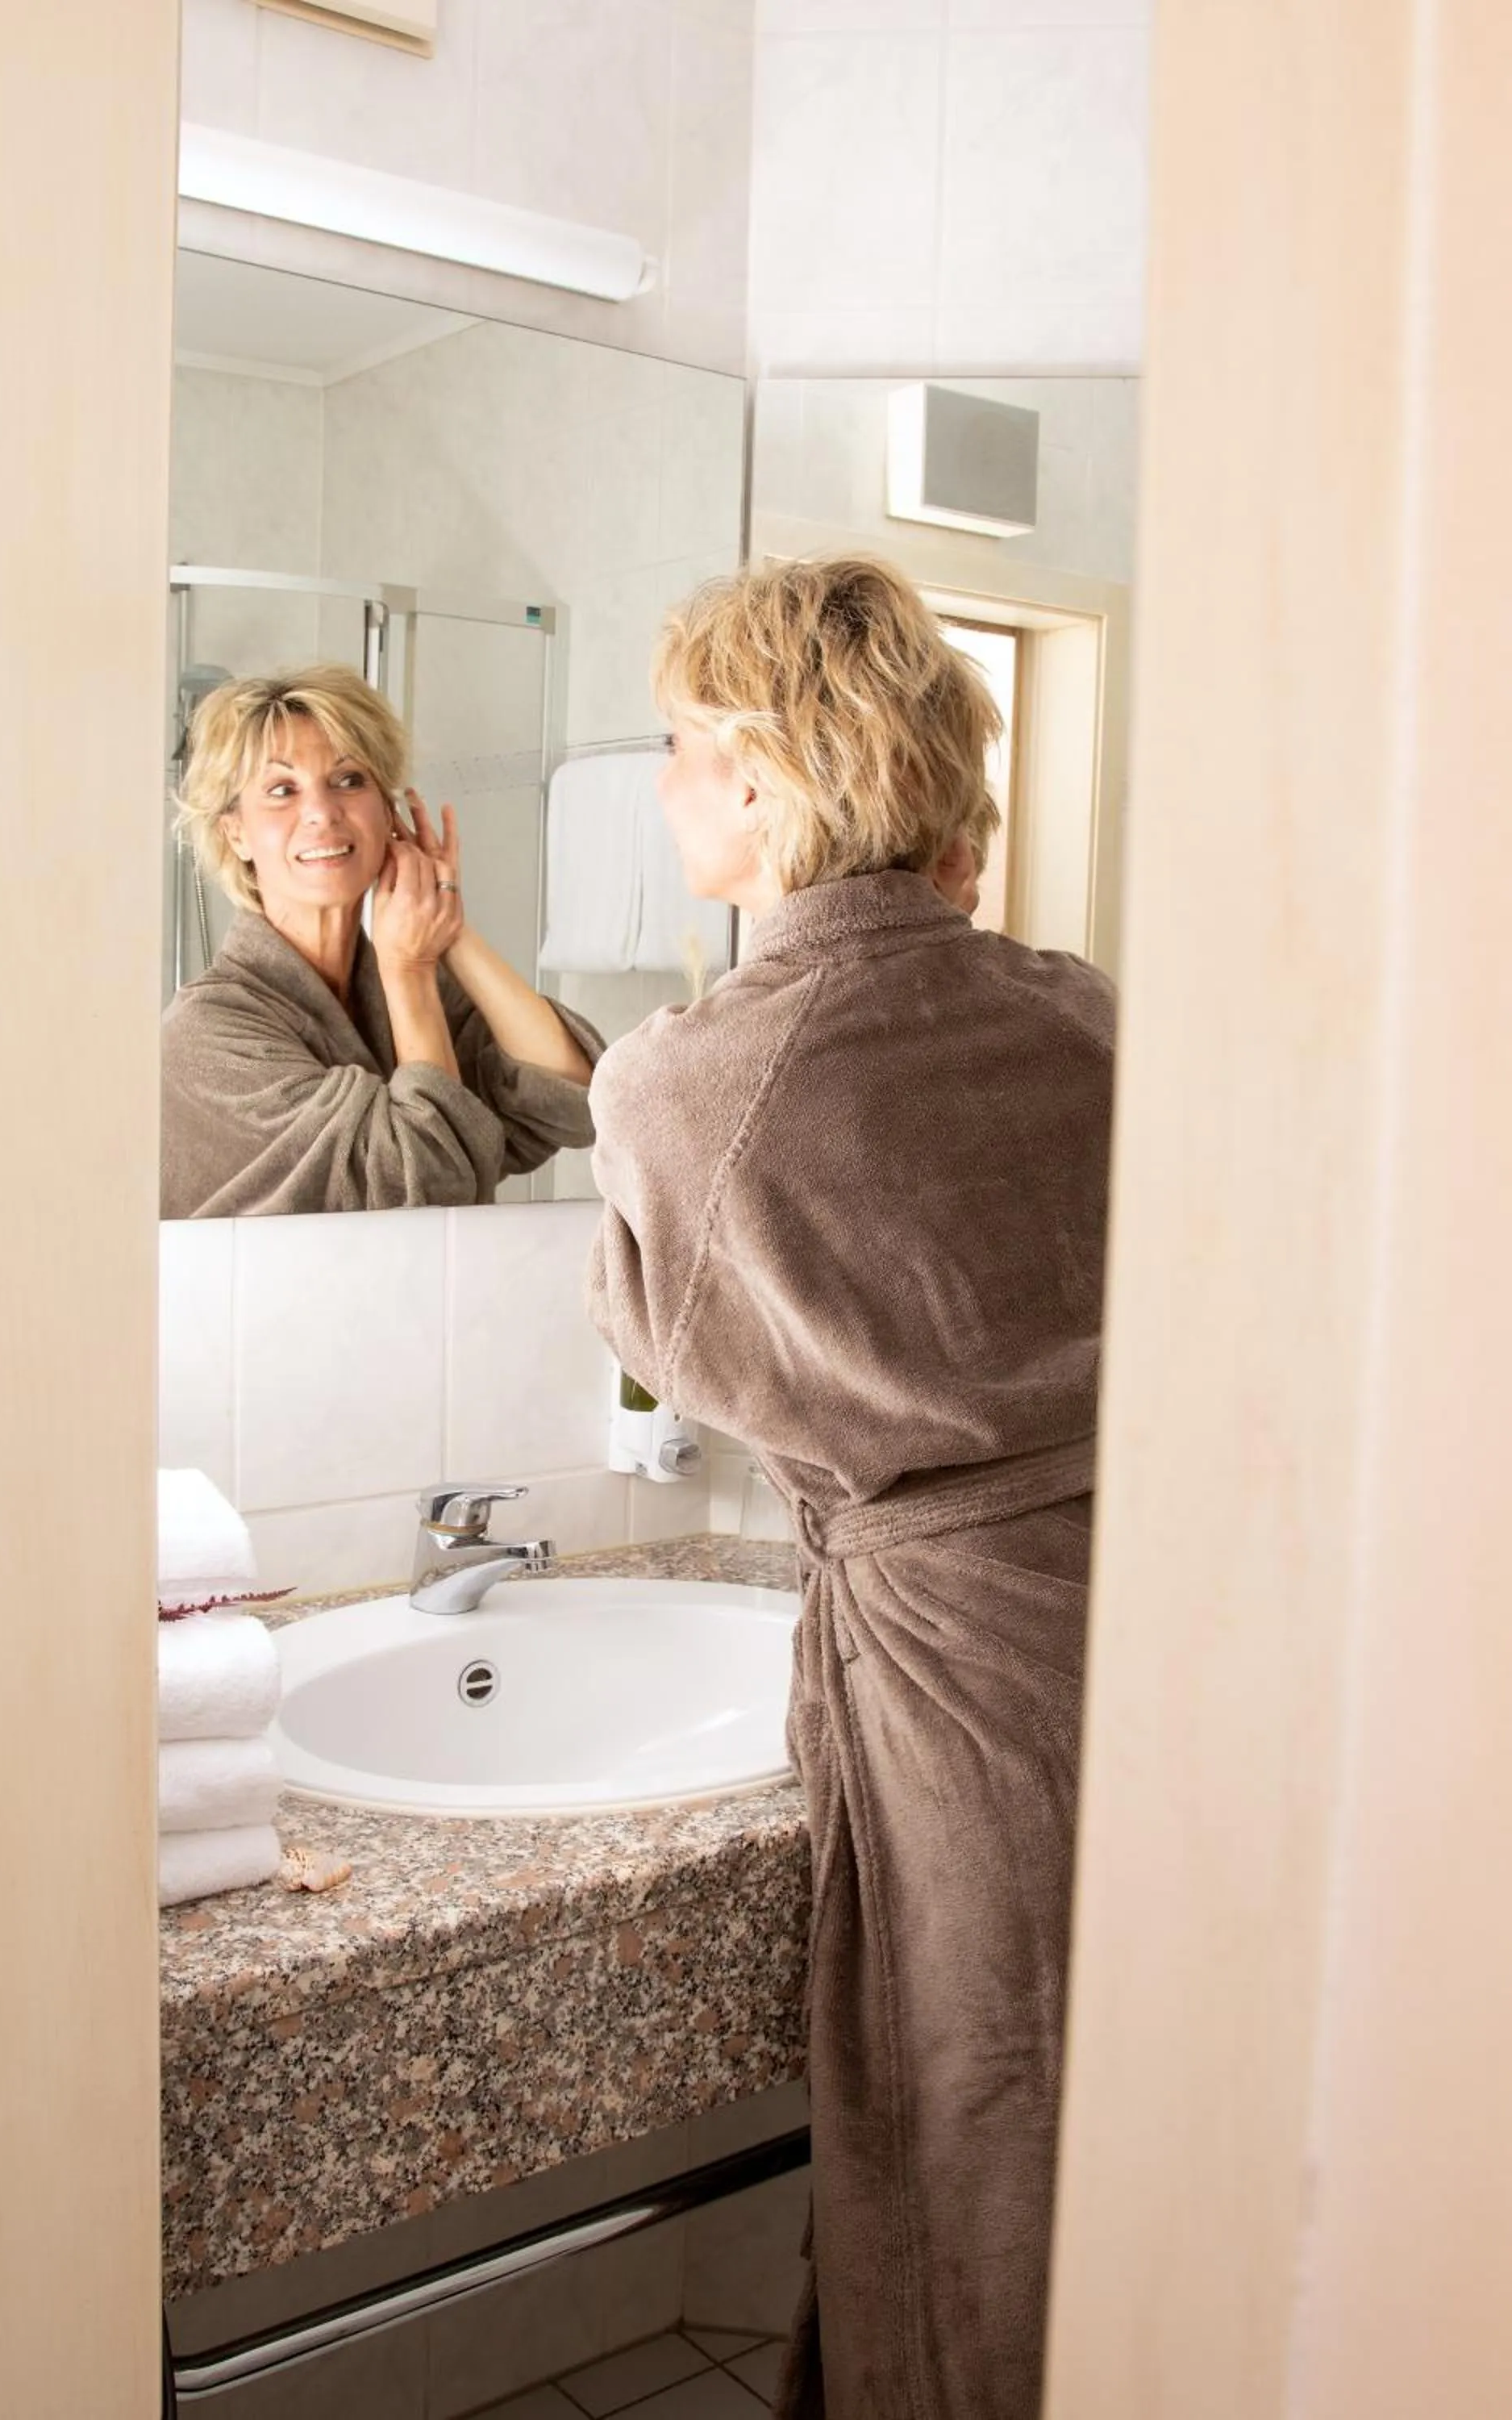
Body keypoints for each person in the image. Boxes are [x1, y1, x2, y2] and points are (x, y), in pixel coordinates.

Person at [585, 557, 1115, 2419]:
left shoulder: (688, 1077)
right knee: (1109, 2136)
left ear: (760, 773)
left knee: (980, 2130)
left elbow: (669, 1340)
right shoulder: (1079, 1009)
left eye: (678, 744)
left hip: (962, 1687)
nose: (662, 783)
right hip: (1148, 1632)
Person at [162, 666, 599, 1216]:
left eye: (349, 780)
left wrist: (449, 928)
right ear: (236, 833)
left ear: (388, 813)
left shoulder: (393, 982)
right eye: (282, 790)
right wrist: (409, 969)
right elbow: (425, 1191)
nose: (322, 812)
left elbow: (576, 1096)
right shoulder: (207, 1036)